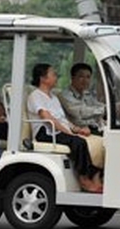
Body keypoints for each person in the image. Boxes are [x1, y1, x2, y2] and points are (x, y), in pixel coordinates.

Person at [27, 63, 103, 193]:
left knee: (85, 140)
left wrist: (76, 129)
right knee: (78, 142)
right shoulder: (36, 96)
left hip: (57, 130)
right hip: (46, 132)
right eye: (53, 74)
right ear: (43, 78)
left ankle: (95, 175)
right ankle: (84, 179)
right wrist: (67, 132)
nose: (57, 77)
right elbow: (47, 118)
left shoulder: (53, 97)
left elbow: (63, 119)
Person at [58, 62, 106, 135]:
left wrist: (113, 107)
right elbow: (81, 112)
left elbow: (97, 105)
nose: (85, 80)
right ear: (73, 78)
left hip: (95, 126)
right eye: (81, 77)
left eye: (88, 77)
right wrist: (104, 109)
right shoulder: (65, 95)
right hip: (80, 129)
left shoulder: (87, 94)